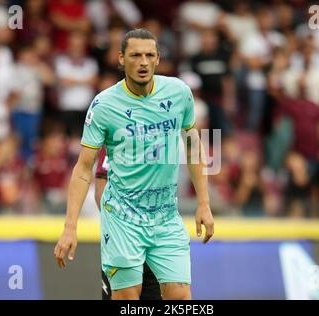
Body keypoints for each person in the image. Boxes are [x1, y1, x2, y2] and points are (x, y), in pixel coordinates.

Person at [54, 28, 214, 300]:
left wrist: (203, 204)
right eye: (136, 55)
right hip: (123, 218)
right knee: (128, 298)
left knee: (180, 297)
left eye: (150, 55)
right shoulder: (104, 105)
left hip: (165, 216)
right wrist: (70, 226)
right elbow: (84, 169)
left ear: (158, 59)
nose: (143, 62)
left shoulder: (179, 93)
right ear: (120, 58)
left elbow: (192, 145)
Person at [95, 147, 161, 300]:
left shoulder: (164, 135)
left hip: (156, 241)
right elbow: (100, 188)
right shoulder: (116, 135)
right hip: (122, 240)